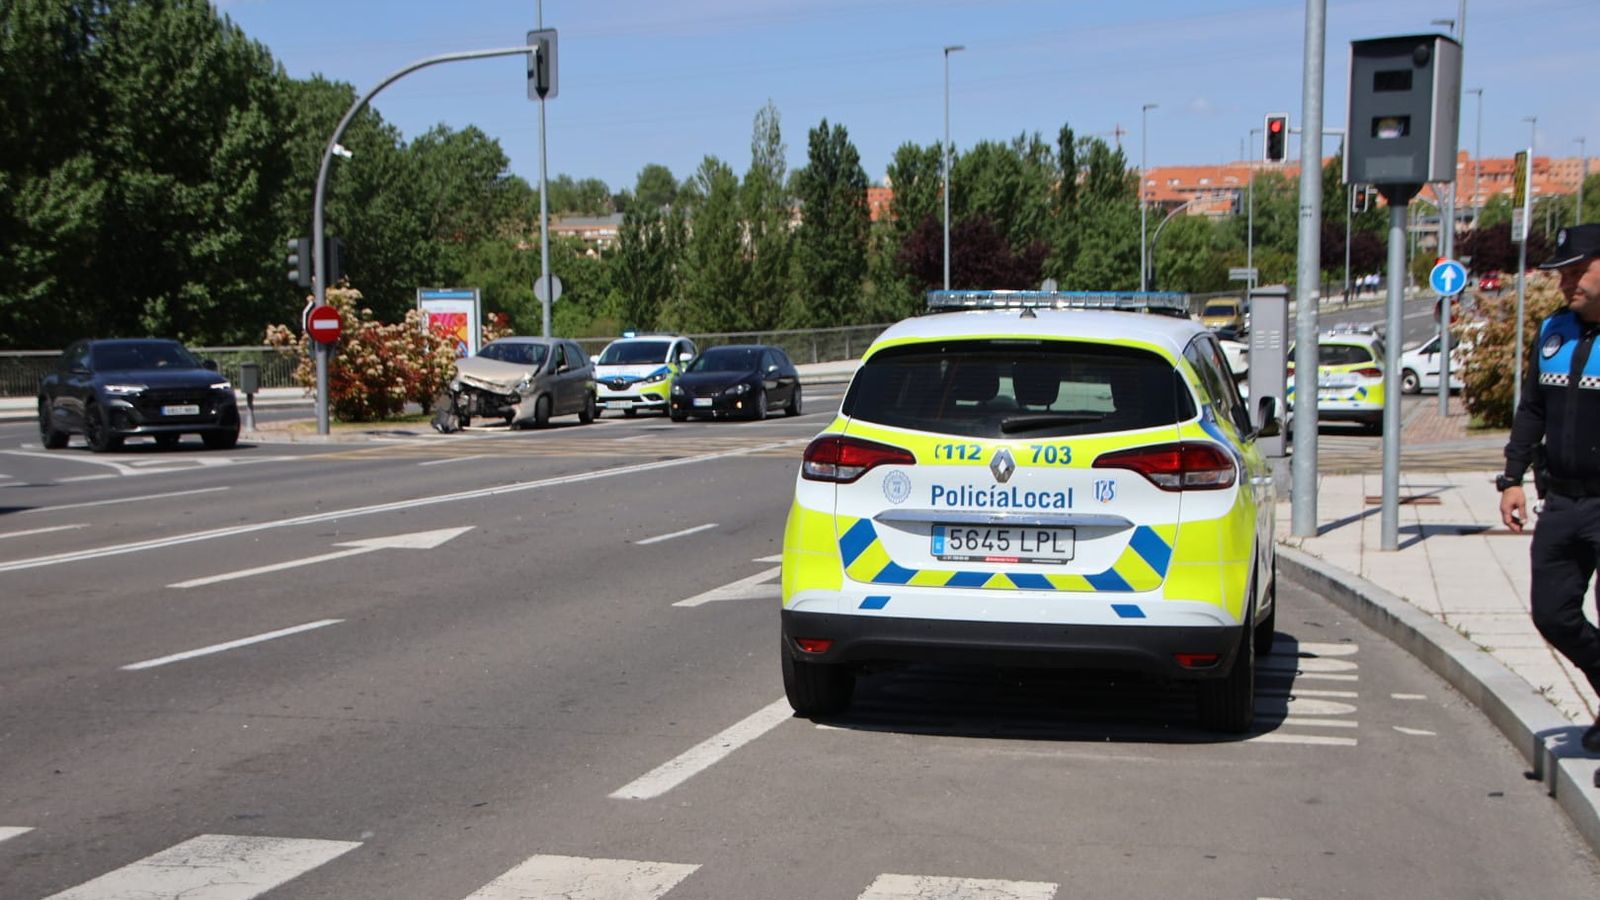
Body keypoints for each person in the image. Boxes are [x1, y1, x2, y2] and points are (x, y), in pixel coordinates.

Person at [1498, 223, 1600, 752]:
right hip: (1561, 500)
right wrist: (1512, 478)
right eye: (1562, 274)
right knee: (1553, 614)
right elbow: (1533, 409)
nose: (1566, 283)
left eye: (1578, 271)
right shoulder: (1553, 331)